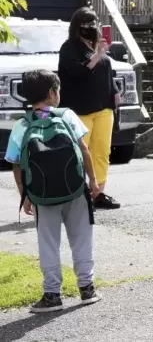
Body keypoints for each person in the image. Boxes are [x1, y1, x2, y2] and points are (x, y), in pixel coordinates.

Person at [6, 70, 102, 313]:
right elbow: (84, 149)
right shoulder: (67, 115)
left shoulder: (21, 125)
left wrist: (25, 195)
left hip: (41, 195)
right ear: (51, 93)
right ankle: (87, 288)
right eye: (57, 90)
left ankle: (52, 295)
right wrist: (92, 180)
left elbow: (16, 164)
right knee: (81, 237)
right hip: (75, 190)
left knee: (48, 242)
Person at [58, 7, 121, 210]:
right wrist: (98, 53)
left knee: (102, 152)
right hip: (79, 110)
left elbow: (107, 73)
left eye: (92, 23)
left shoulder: (98, 46)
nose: (89, 27)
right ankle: (80, 194)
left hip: (104, 108)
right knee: (79, 154)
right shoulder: (69, 48)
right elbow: (78, 72)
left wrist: (116, 93)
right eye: (84, 24)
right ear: (76, 26)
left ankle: (98, 194)